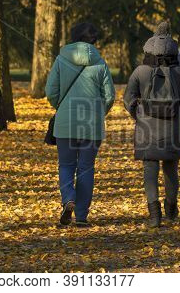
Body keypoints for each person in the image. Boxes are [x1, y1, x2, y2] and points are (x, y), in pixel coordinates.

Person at [123, 22, 180, 228]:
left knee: (150, 169)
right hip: (173, 128)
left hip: (147, 128)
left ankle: (154, 215)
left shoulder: (140, 71)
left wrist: (137, 113)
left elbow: (128, 98)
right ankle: (171, 209)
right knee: (171, 169)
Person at [45, 22, 115, 227]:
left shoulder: (60, 60)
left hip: (65, 123)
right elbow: (109, 95)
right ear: (94, 41)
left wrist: (62, 106)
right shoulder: (100, 63)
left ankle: (68, 199)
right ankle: (82, 216)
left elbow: (51, 91)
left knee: (66, 165)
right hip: (91, 125)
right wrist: (100, 112)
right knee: (86, 168)